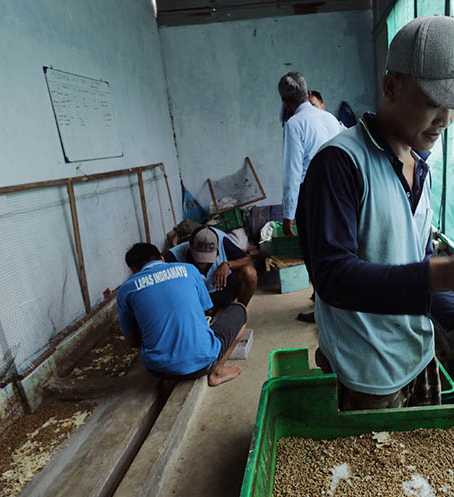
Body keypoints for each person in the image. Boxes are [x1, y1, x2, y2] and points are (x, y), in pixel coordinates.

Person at [296, 16, 454, 411]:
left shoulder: (421, 165)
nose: (446, 119)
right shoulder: (340, 164)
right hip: (366, 376)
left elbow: (417, 262)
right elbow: (332, 277)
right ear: (391, 86)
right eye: (433, 100)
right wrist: (445, 273)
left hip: (417, 356)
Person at [117, 243, 246, 386]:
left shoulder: (125, 290)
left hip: (158, 370)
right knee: (239, 310)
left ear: (133, 270)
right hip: (203, 363)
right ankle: (217, 371)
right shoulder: (188, 269)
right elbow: (205, 311)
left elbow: (132, 342)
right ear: (162, 258)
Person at [278, 72, 344, 237]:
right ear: (308, 94)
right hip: (338, 193)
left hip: (311, 196)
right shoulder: (331, 119)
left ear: (285, 103)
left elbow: (293, 174)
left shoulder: (293, 125)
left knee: (314, 250)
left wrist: (288, 216)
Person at [164, 225, 257, 308]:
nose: (203, 265)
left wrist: (228, 264)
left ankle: (239, 310)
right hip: (197, 298)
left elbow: (247, 260)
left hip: (224, 288)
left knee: (250, 273)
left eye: (206, 260)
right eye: (199, 260)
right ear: (190, 246)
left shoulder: (222, 241)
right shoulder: (175, 254)